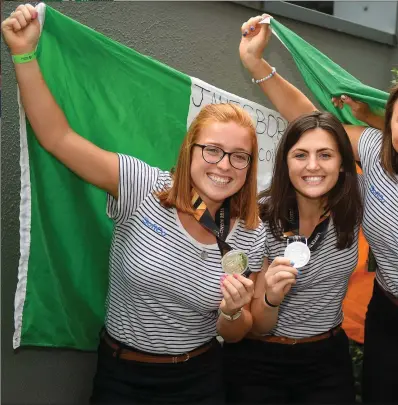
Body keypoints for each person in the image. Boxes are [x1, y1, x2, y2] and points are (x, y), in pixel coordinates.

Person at [1, 5, 267, 404]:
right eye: (212, 150)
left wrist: (232, 313)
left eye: (239, 156)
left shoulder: (251, 232)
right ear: (189, 151)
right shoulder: (143, 186)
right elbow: (57, 138)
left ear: (250, 165)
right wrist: (24, 54)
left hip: (200, 379)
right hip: (122, 377)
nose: (224, 166)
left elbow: (239, 330)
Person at [237, 14, 397, 405]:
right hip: (389, 320)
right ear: (390, 121)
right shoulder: (375, 157)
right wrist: (257, 64)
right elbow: (314, 129)